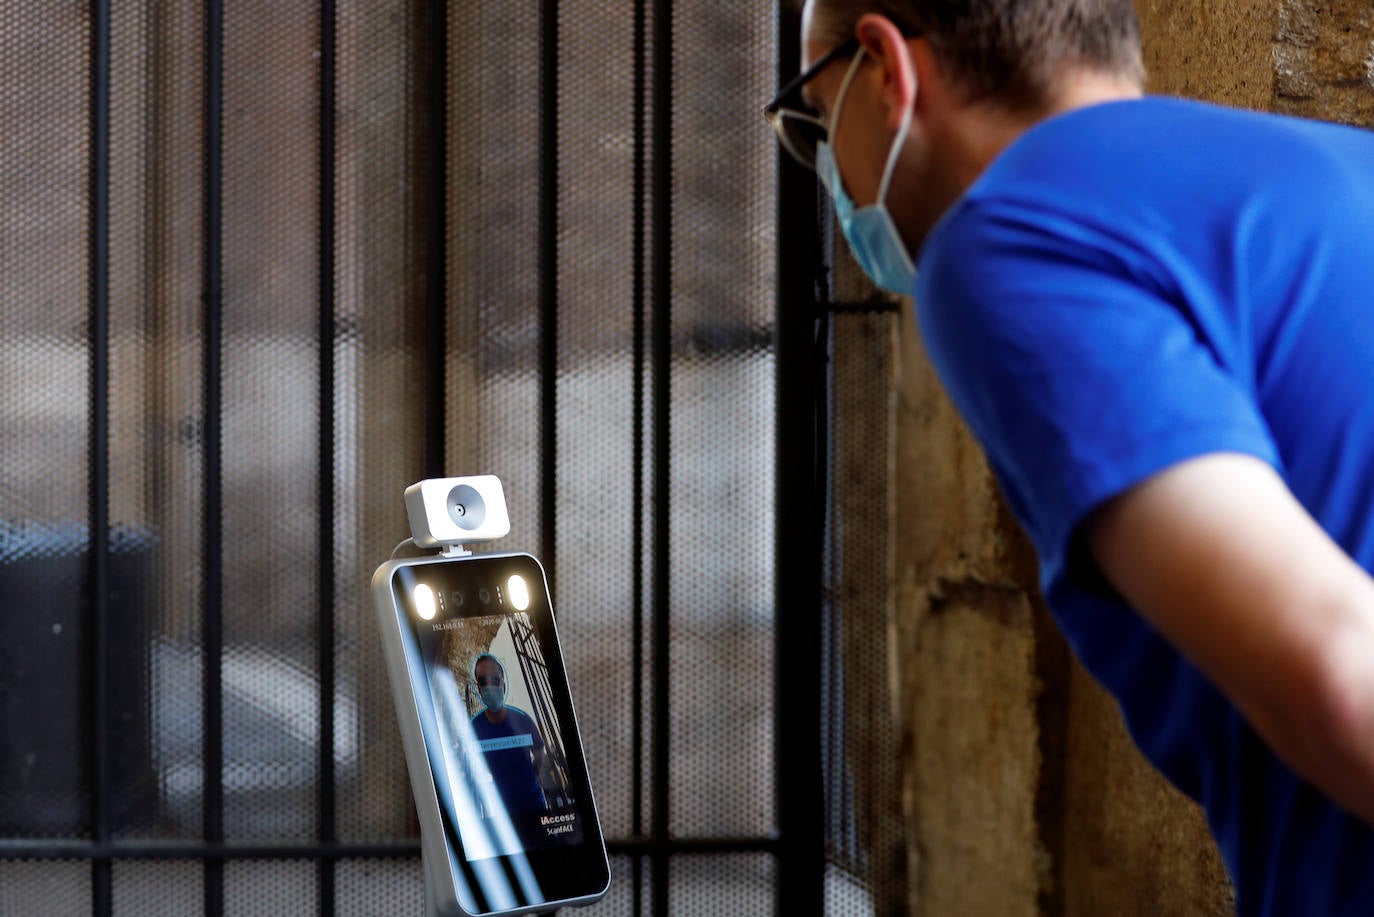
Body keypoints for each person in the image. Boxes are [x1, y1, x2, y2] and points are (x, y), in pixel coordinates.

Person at [764, 1, 1374, 914]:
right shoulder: (1334, 167)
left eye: (813, 123)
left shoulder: (1011, 232)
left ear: (887, 67)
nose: (833, 176)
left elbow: (1338, 669)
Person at [469, 652, 549, 816]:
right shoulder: (474, 728)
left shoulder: (523, 719)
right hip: (503, 815)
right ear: (478, 688)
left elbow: (539, 750)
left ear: (503, 686)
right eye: (483, 681)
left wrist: (534, 775)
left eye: (495, 680)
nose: (489, 686)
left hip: (535, 805)